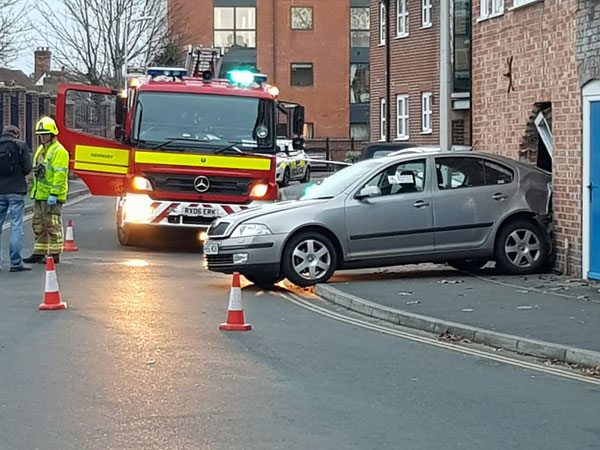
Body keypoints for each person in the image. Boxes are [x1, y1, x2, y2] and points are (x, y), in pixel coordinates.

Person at [23, 117, 69, 264]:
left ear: (52, 134)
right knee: (38, 223)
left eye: (45, 134)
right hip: (40, 194)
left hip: (51, 195)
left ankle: (54, 254)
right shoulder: (42, 150)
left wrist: (54, 193)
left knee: (52, 224)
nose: (42, 137)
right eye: (41, 135)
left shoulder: (59, 151)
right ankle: (39, 252)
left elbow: (60, 174)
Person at [0, 125, 33, 272]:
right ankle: (15, 263)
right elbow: (27, 168)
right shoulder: (20, 146)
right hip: (16, 190)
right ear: (16, 134)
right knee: (16, 225)